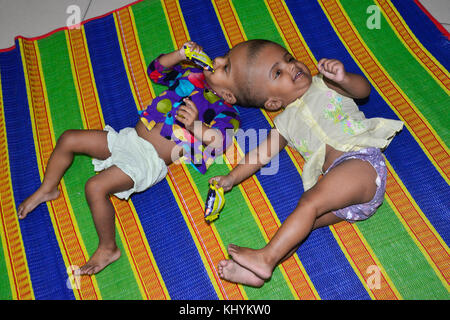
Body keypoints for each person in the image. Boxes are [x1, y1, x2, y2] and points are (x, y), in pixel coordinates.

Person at [17, 40, 247, 275]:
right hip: (128, 138)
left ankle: (108, 248)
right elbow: (156, 71)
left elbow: (220, 142)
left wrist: (196, 125)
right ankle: (48, 188)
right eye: (224, 56)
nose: (217, 60)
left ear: (229, 94)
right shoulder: (192, 74)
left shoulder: (226, 112)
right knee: (69, 138)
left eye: (225, 67)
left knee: (94, 187)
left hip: (147, 160)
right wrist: (180, 54)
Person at [209, 39, 403, 287]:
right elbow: (259, 156)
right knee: (301, 225)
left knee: (309, 202)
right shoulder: (284, 124)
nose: (291, 66)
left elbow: (363, 91)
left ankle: (265, 258)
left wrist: (343, 78)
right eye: (277, 72)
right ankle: (259, 270)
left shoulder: (326, 84)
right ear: (272, 103)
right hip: (346, 197)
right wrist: (231, 178)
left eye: (288, 59)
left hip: (362, 164)